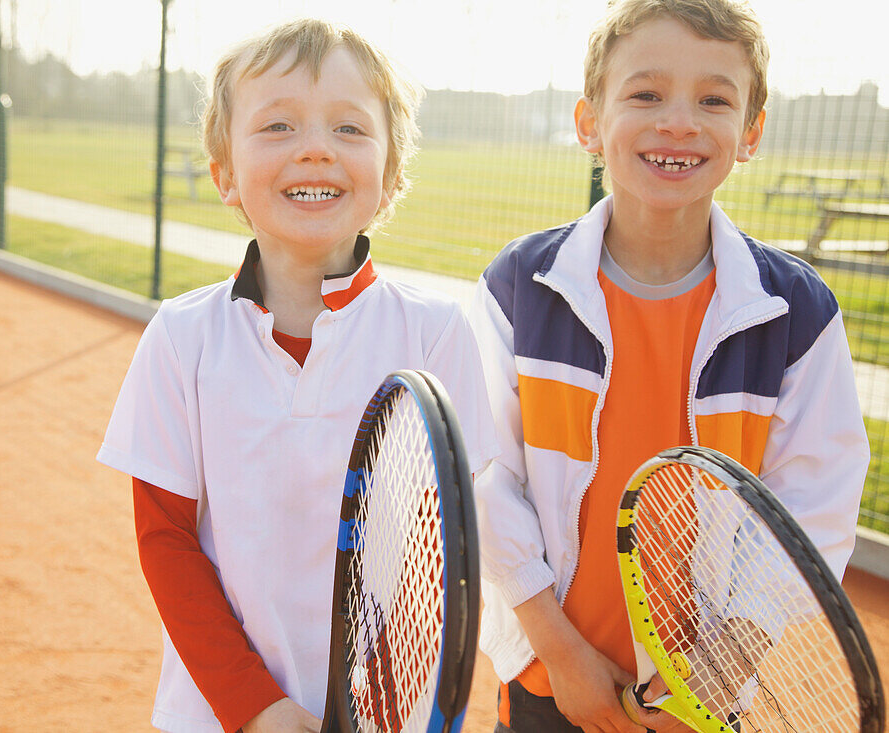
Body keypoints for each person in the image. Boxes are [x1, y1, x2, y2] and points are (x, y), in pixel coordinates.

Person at [467, 1, 869, 731]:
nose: (678, 122)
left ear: (751, 132)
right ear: (590, 123)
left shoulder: (798, 313)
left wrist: (724, 665)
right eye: (646, 94)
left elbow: (814, 503)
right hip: (548, 675)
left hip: (707, 696)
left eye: (714, 100)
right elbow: (485, 476)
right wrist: (559, 654)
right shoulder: (518, 287)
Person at [97, 18, 499, 733]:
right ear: (223, 174)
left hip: (386, 713)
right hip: (217, 714)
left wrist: (374, 705)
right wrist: (257, 709)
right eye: (278, 126)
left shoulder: (437, 332)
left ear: (391, 174)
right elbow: (166, 540)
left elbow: (436, 559)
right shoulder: (181, 336)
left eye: (349, 129)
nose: (315, 147)